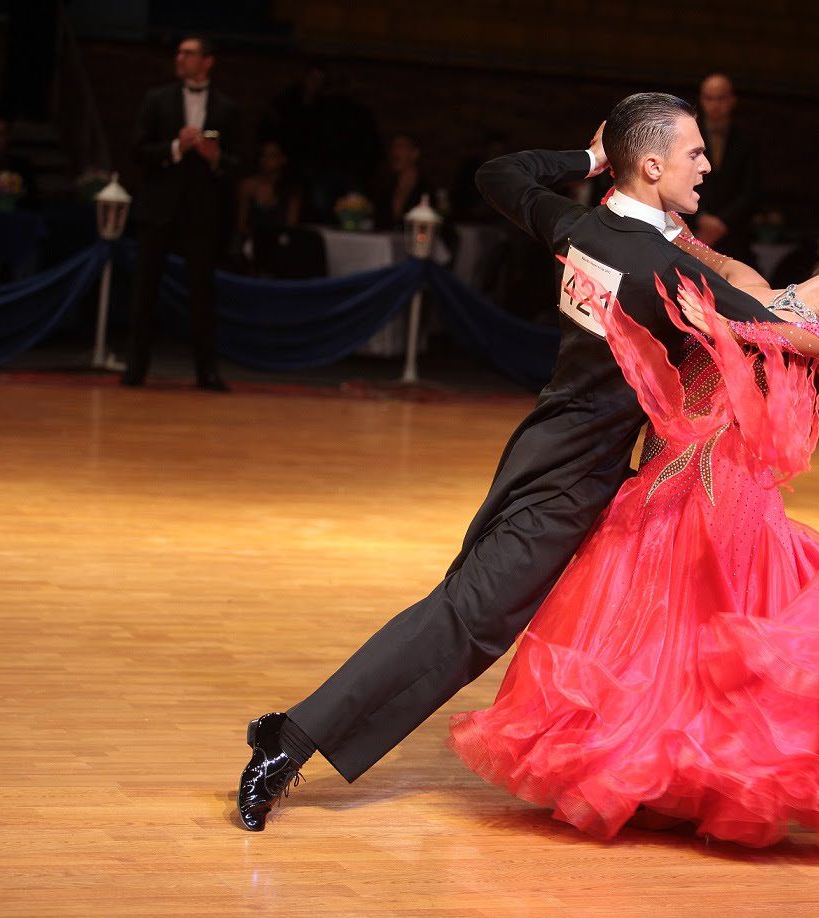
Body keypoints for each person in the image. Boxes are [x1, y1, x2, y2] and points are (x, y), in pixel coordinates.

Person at [235, 92, 791, 832]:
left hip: (569, 458)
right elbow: (771, 323)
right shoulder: (658, 264)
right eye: (695, 152)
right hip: (570, 477)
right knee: (467, 617)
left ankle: (657, 767)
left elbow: (500, 174)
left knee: (618, 610)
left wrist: (587, 159)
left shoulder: (587, 228)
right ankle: (288, 740)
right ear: (653, 165)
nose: (707, 164)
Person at [448, 231, 819, 847]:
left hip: (731, 492)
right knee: (655, 626)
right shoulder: (751, 288)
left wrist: (715, 320)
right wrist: (655, 221)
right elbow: (705, 254)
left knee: (736, 628)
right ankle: (656, 771)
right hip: (663, 476)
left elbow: (773, 335)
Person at [121, 35, 238, 392]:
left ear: (207, 61)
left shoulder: (223, 108)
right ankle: (135, 368)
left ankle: (207, 371)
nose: (180, 58)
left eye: (188, 53)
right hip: (159, 208)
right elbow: (138, 149)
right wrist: (176, 147)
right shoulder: (158, 100)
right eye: (179, 53)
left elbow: (229, 154)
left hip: (200, 213)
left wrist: (213, 156)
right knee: (145, 291)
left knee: (202, 293)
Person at [693, 73, 759, 262]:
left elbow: (751, 191)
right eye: (709, 98)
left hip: (733, 233)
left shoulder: (746, 140)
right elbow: (678, 180)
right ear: (701, 100)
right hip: (694, 227)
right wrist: (700, 217)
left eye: (721, 98)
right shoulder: (687, 136)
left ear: (732, 100)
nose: (715, 105)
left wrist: (721, 222)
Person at [237, 140, 302, 236]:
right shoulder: (248, 186)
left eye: (272, 155)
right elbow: (241, 224)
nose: (265, 159)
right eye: (263, 155)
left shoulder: (291, 189)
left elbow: (291, 226)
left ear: (283, 159)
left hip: (280, 241)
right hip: (252, 240)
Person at [373, 133, 433, 230]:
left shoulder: (426, 190)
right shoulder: (386, 191)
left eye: (401, 146)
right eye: (393, 147)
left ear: (415, 153)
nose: (395, 151)